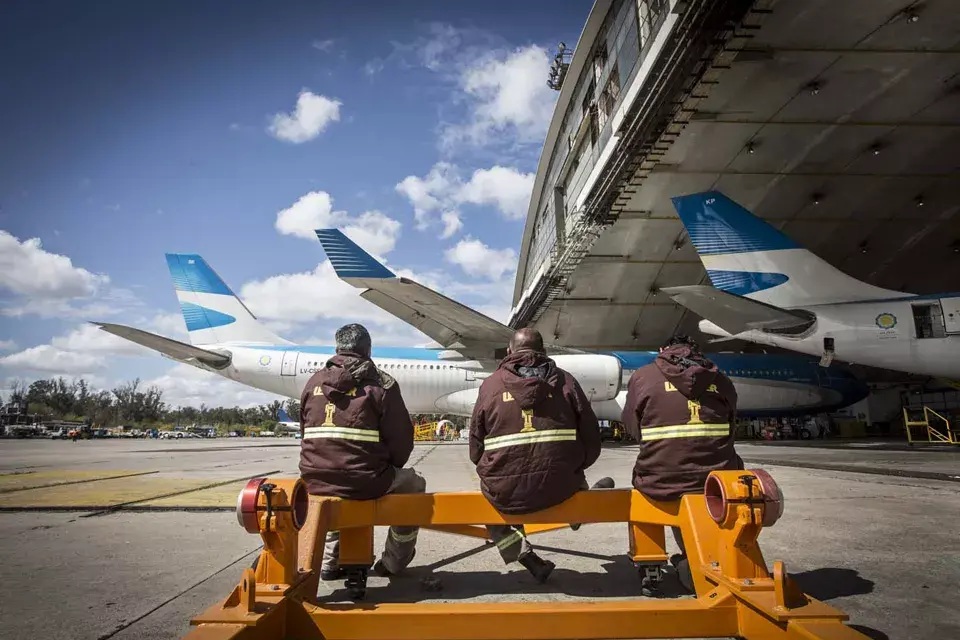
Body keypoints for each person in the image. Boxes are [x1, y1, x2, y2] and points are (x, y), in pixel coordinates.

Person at [470, 328, 613, 583]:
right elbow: (591, 437)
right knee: (571, 477)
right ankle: (578, 511)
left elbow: (475, 447)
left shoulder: (490, 385)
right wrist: (577, 466)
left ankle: (524, 555)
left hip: (507, 492)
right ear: (544, 352)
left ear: (510, 352)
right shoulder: (566, 381)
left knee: (490, 500)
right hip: (562, 486)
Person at [299, 323, 425, 581]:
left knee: (333, 492)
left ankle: (329, 562)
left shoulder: (313, 382)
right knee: (414, 484)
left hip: (314, 479)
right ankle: (394, 561)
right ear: (368, 350)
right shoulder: (382, 384)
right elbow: (401, 440)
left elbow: (304, 431)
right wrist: (390, 467)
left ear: (337, 348)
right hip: (366, 479)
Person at [621, 334, 741, 593]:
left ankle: (650, 562)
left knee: (643, 488)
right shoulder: (720, 378)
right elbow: (731, 425)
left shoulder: (643, 376)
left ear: (663, 350)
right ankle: (713, 554)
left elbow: (632, 426)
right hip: (717, 483)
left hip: (661, 481)